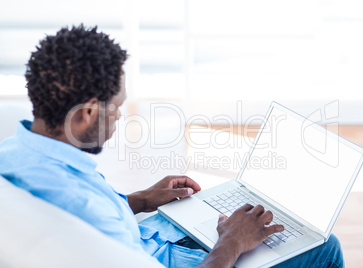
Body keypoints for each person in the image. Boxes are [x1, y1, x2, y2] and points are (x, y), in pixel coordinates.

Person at [0, 25, 344, 267]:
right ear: (87, 113)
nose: (120, 116)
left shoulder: (14, 155)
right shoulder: (78, 201)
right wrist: (232, 242)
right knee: (325, 247)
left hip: (152, 236)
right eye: (118, 105)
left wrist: (140, 199)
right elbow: (91, 213)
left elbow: (95, 214)